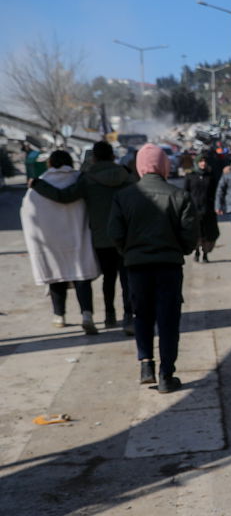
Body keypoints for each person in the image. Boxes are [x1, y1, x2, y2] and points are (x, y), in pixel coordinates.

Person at [109, 144, 197, 391]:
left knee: (142, 315)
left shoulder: (123, 197)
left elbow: (114, 233)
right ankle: (167, 375)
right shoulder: (179, 195)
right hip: (169, 267)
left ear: (139, 166)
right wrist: (176, 248)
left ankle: (146, 363)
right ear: (165, 165)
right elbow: (190, 236)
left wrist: (129, 252)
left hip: (137, 268)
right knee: (168, 319)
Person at [28, 140, 136, 332]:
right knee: (127, 278)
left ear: (94, 157)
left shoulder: (87, 179)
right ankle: (129, 315)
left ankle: (110, 315)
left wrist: (38, 184)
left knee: (109, 278)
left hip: (102, 238)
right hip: (128, 236)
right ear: (113, 156)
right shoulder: (127, 176)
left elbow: (64, 197)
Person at [21, 149, 100, 334]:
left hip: (51, 241)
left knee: (56, 276)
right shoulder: (79, 180)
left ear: (50, 163)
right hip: (79, 236)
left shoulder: (40, 184)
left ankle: (59, 316)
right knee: (81, 276)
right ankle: (87, 315)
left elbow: (27, 213)